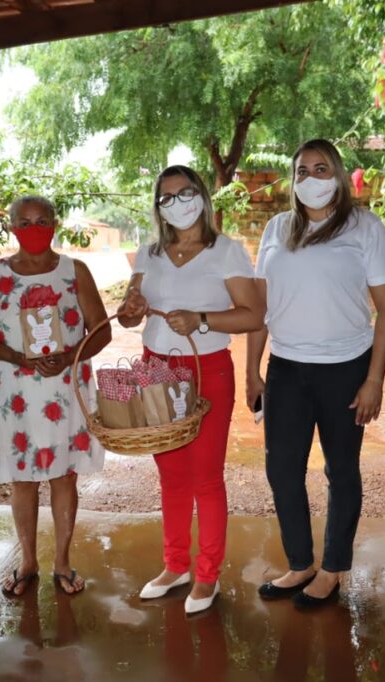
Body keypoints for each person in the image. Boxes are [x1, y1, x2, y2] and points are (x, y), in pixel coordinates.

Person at [246, 139, 385, 609]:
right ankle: (300, 564)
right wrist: (252, 370)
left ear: (337, 174)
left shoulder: (364, 227)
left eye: (321, 169)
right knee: (282, 470)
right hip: (287, 369)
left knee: (341, 470)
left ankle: (332, 568)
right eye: (302, 171)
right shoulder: (277, 228)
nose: (311, 179)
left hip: (346, 369)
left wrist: (374, 379)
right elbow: (260, 308)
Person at [118, 165, 263, 615]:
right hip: (156, 369)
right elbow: (129, 315)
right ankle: (175, 565)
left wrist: (202, 319)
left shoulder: (226, 252)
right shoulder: (149, 254)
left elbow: (253, 314)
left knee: (206, 476)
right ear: (157, 206)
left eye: (185, 193)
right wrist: (131, 308)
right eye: (166, 197)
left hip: (207, 371)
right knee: (171, 474)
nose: (177, 203)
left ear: (201, 195)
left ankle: (207, 575)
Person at [0, 195, 109, 597]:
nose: (34, 229)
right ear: (12, 227)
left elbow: (101, 329)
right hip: (18, 393)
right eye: (25, 222)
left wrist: (69, 356)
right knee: (23, 480)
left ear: (55, 224)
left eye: (42, 221)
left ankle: (62, 562)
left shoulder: (74, 272)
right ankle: (28, 562)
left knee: (64, 476)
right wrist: (16, 357)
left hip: (65, 389)